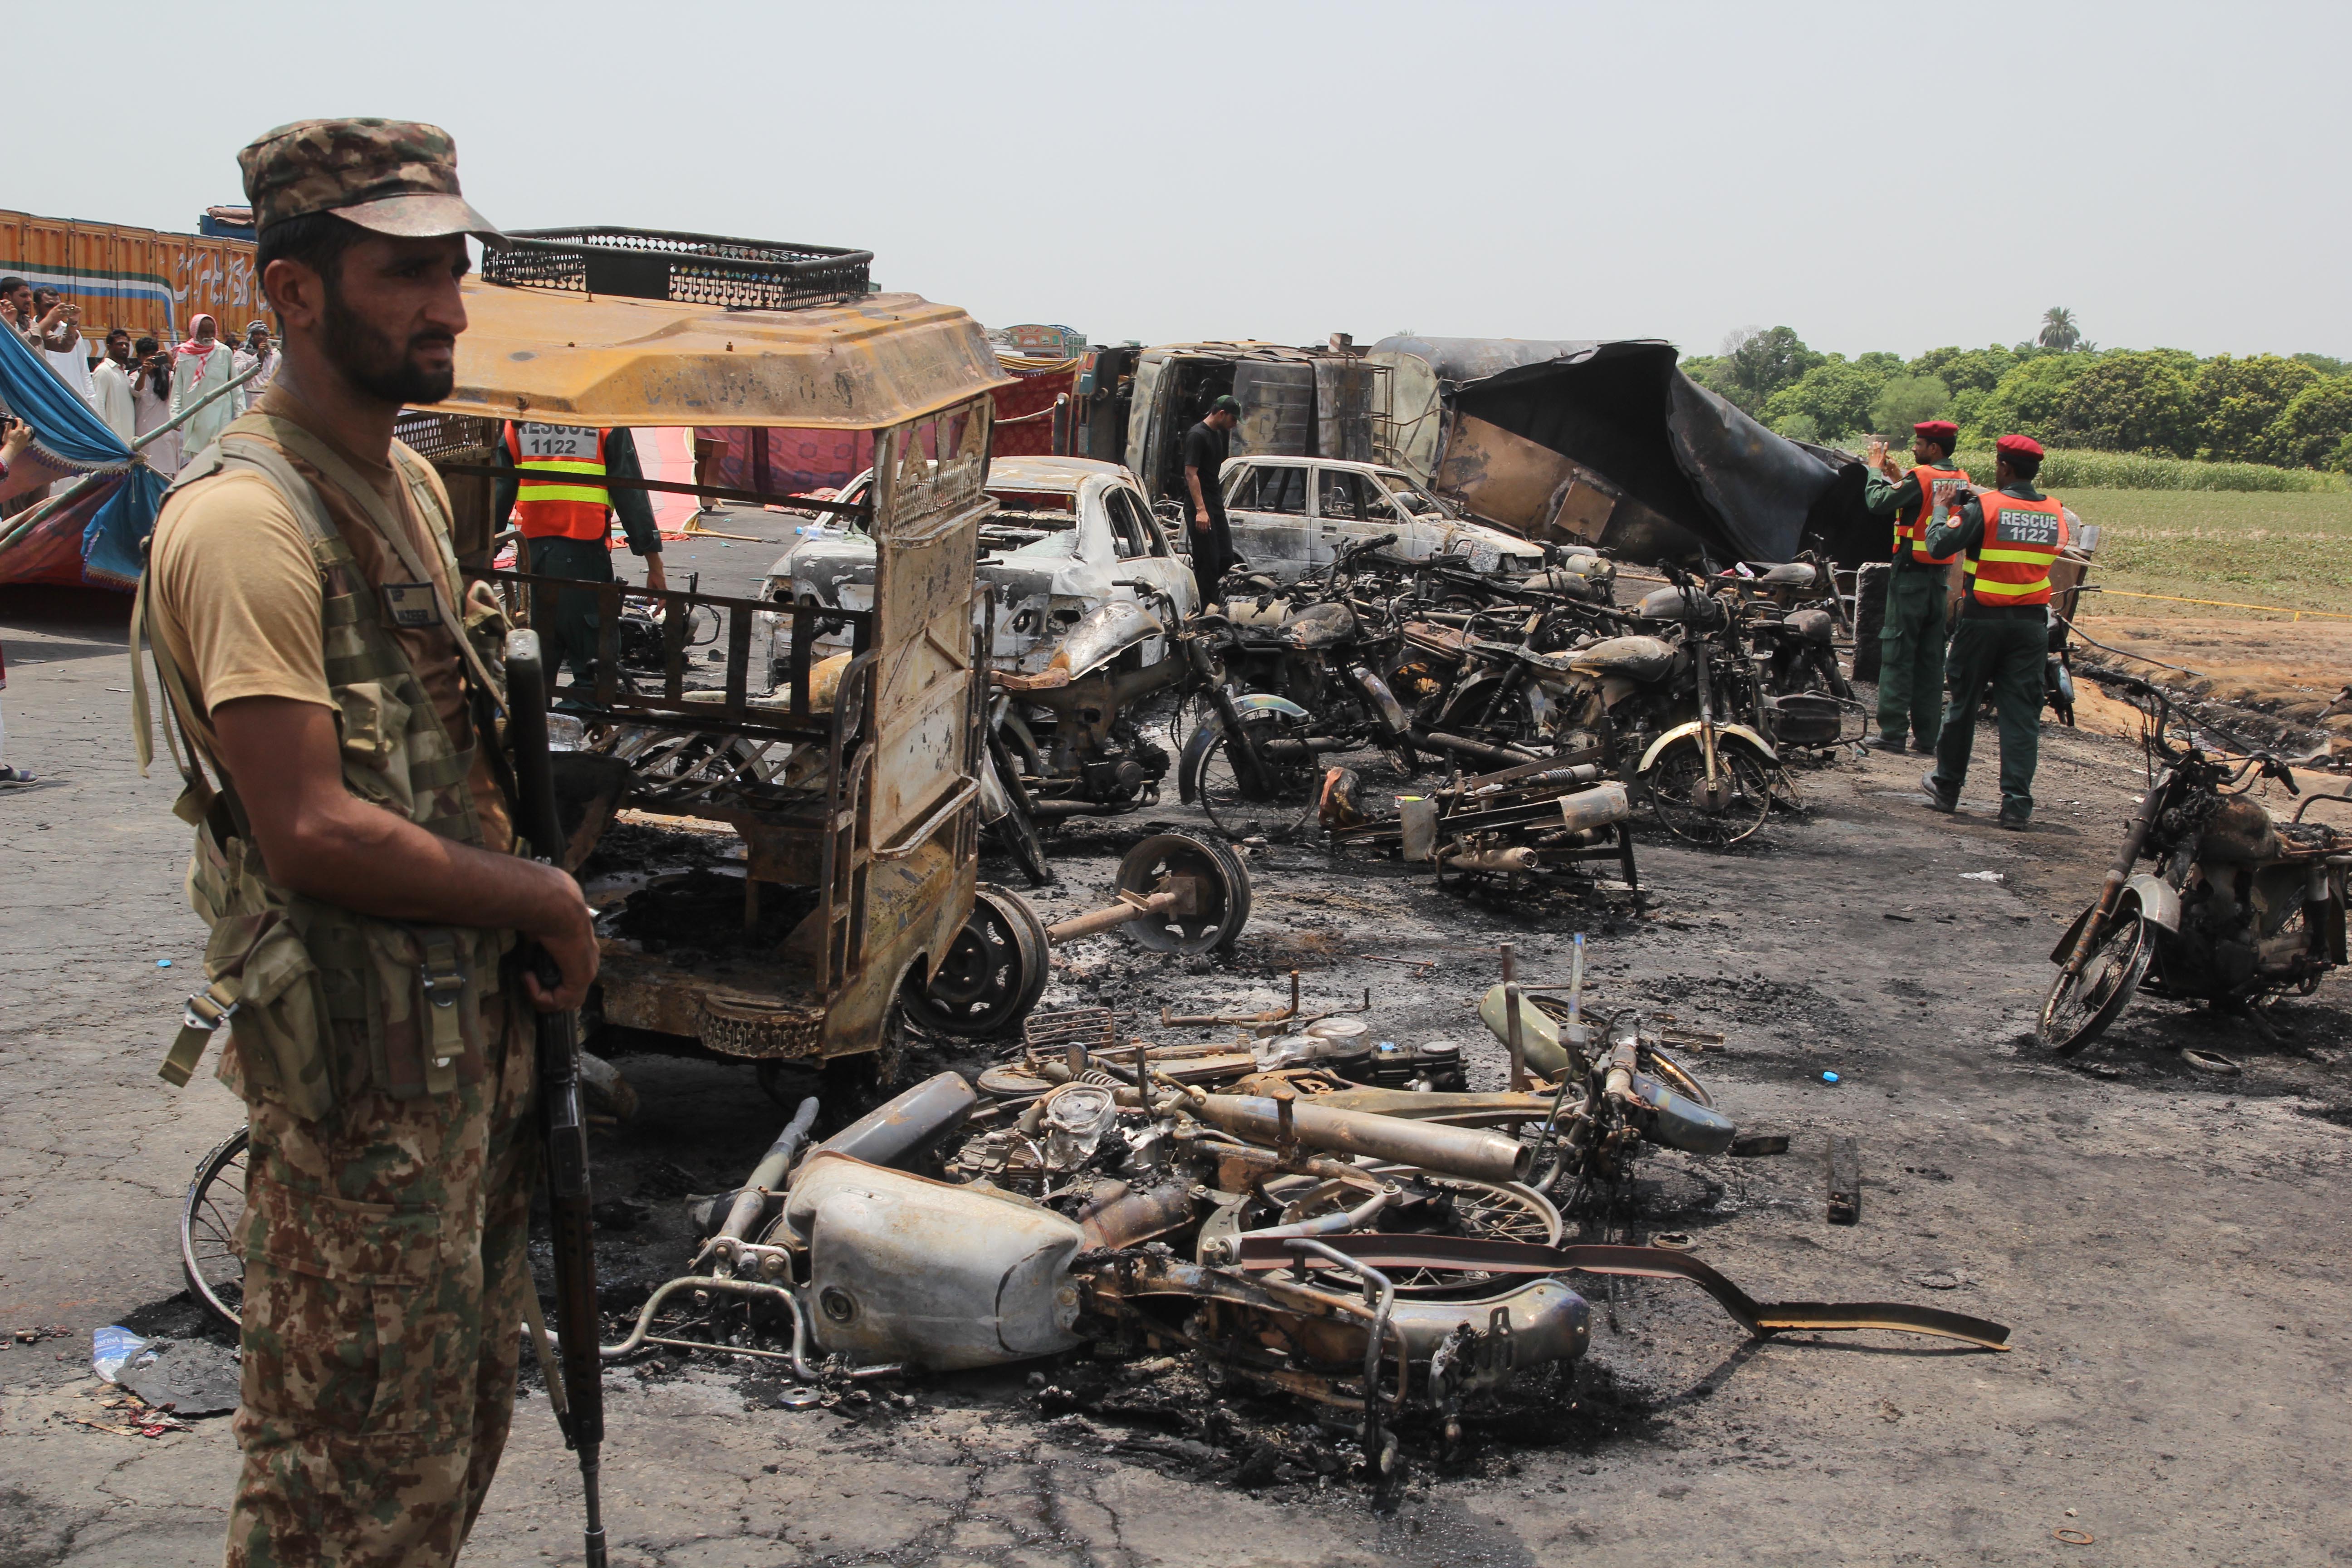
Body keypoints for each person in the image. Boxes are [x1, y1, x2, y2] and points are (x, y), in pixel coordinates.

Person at [140, 117, 590, 1568]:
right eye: (406, 273)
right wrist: (542, 894)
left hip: (458, 1070)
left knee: (444, 1446)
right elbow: (313, 828)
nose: (449, 306)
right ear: (291, 291)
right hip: (359, 1105)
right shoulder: (247, 524)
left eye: (453, 268)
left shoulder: (399, 486)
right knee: (341, 1486)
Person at [1919, 434, 2065, 829]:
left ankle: (1948, 786)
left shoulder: (1987, 506)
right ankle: (2016, 805)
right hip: (2032, 625)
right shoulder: (2056, 511)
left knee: (1964, 705)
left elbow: (1940, 546)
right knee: (2021, 715)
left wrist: (1941, 509)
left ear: (2005, 468)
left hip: (1983, 620)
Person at [492, 419, 666, 687]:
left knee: (536, 657)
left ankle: (537, 723)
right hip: (583, 550)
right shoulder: (605, 422)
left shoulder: (517, 423)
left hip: (533, 553)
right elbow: (630, 493)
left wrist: (486, 551)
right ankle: (582, 719)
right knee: (594, 662)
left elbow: (499, 493)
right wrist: (654, 563)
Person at [1860, 419, 1969, 753]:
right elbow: (1922, 503)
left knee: (1897, 652)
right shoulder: (1960, 478)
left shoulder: (1921, 477)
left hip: (1909, 577)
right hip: (1941, 580)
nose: (1914, 448)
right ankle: (1927, 736)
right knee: (1931, 658)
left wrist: (1876, 471)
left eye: (1919, 444)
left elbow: (1877, 503)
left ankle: (1892, 732)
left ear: (1934, 448)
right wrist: (1900, 477)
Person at [1183, 392, 1241, 608]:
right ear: (1222, 414)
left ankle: (1204, 598)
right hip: (1201, 508)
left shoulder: (1217, 435)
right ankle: (1205, 608)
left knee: (1225, 557)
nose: (1234, 425)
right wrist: (1201, 510)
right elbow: (1191, 474)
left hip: (1215, 506)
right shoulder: (1197, 435)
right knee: (1208, 562)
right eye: (1233, 419)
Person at [168, 312, 246, 451]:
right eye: (205, 332)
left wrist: (241, 413)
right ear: (195, 332)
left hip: (221, 414)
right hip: (194, 414)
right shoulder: (185, 354)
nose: (209, 336)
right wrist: (175, 415)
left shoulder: (224, 352)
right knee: (197, 459)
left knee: (218, 455)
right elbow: (178, 388)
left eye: (212, 332)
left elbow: (235, 385)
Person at [129, 337, 182, 476]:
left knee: (167, 475)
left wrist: (172, 362)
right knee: (146, 471)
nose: (151, 358)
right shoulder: (135, 375)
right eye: (147, 355)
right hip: (145, 433)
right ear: (140, 357)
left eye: (154, 354)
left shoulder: (168, 376)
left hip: (166, 435)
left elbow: (182, 385)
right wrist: (145, 372)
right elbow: (137, 391)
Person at [91, 327, 138, 443]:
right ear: (109, 346)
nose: (124, 348)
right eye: (120, 344)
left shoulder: (122, 372)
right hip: (113, 436)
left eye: (127, 345)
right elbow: (98, 404)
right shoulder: (104, 371)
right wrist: (104, 434)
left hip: (127, 435)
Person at [232, 318, 279, 392]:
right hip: (250, 398)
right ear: (251, 336)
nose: (261, 337)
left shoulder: (275, 355)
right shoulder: (241, 354)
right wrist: (258, 356)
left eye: (263, 334)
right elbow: (237, 372)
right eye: (257, 334)